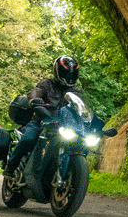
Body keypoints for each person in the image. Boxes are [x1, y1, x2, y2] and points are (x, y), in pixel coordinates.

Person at [5, 55, 81, 195]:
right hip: (40, 122)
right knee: (28, 139)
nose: (68, 77)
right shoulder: (47, 84)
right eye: (65, 73)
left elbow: (80, 107)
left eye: (71, 74)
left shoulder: (75, 91)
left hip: (62, 126)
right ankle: (10, 168)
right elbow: (35, 91)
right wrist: (34, 99)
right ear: (57, 72)